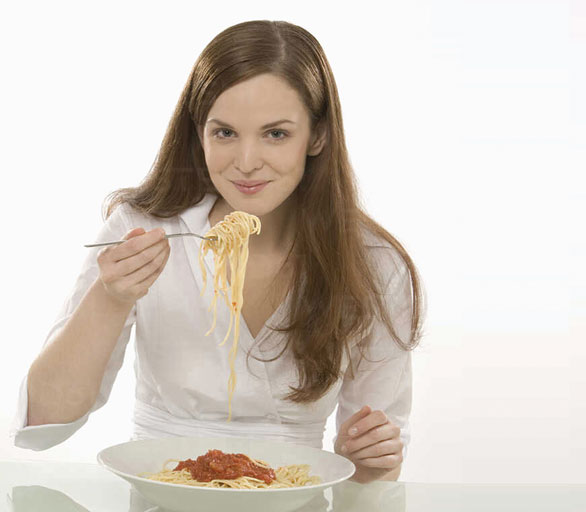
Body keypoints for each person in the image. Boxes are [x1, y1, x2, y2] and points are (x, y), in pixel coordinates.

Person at [10, 20, 423, 484]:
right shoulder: (140, 229)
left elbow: (374, 469)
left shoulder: (374, 262)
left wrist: (368, 457)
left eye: (276, 134)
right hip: (162, 490)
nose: (246, 162)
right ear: (199, 133)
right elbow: (43, 425)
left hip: (293, 495)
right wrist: (110, 298)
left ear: (318, 136)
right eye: (225, 133)